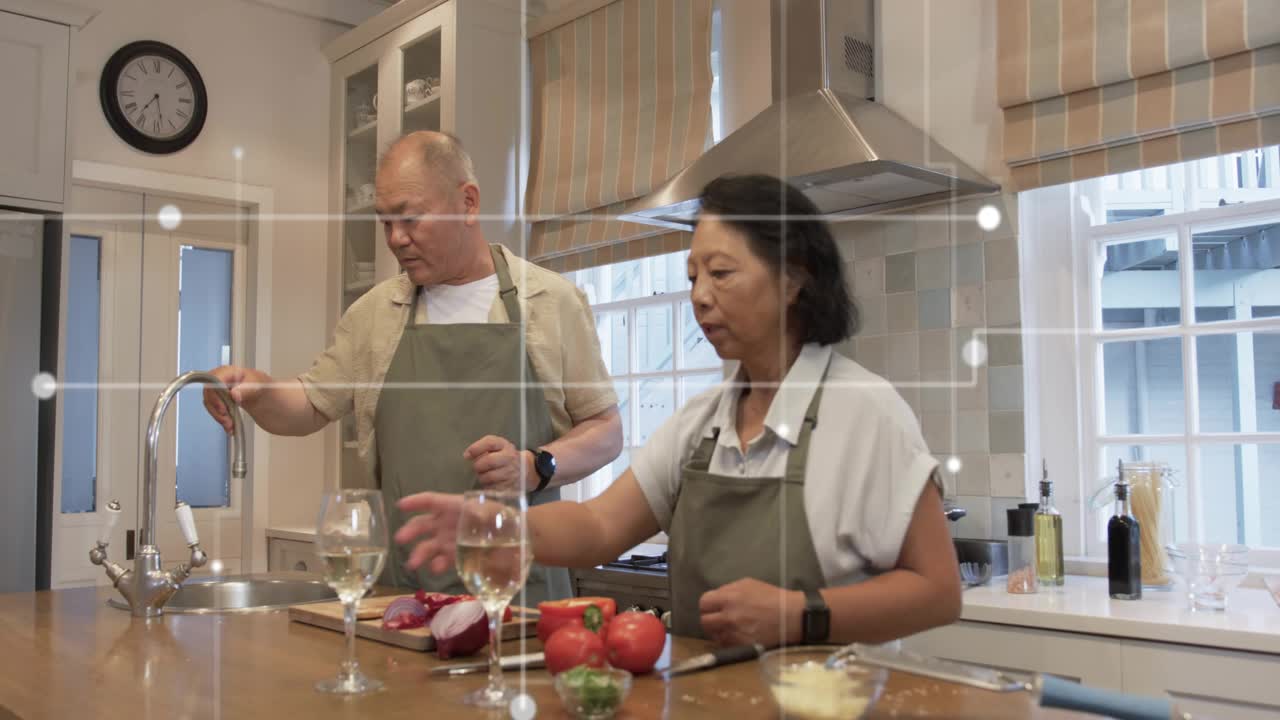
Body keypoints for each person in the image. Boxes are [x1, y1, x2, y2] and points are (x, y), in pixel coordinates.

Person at [394, 174, 962, 647]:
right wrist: (501, 527)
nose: (699, 296)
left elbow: (938, 591)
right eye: (692, 276)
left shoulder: (863, 412)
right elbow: (599, 525)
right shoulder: (703, 421)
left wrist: (800, 614)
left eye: (722, 273)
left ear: (792, 279)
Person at [202, 131, 622, 603]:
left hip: (521, 599)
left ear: (467, 202)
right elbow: (310, 405)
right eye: (386, 222)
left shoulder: (550, 301)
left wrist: (536, 466)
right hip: (406, 595)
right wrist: (255, 389)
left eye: (411, 218)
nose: (396, 239)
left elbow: (606, 430)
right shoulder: (376, 313)